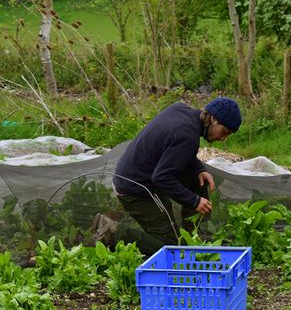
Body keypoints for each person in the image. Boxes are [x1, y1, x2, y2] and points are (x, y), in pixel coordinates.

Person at [99, 97, 242, 256]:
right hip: (137, 188)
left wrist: (198, 168)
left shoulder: (181, 110)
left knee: (198, 178)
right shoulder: (188, 136)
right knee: (170, 248)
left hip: (134, 173)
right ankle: (113, 232)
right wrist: (194, 201)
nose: (223, 138)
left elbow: (175, 150)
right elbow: (161, 178)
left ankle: (194, 238)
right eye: (224, 132)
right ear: (213, 119)